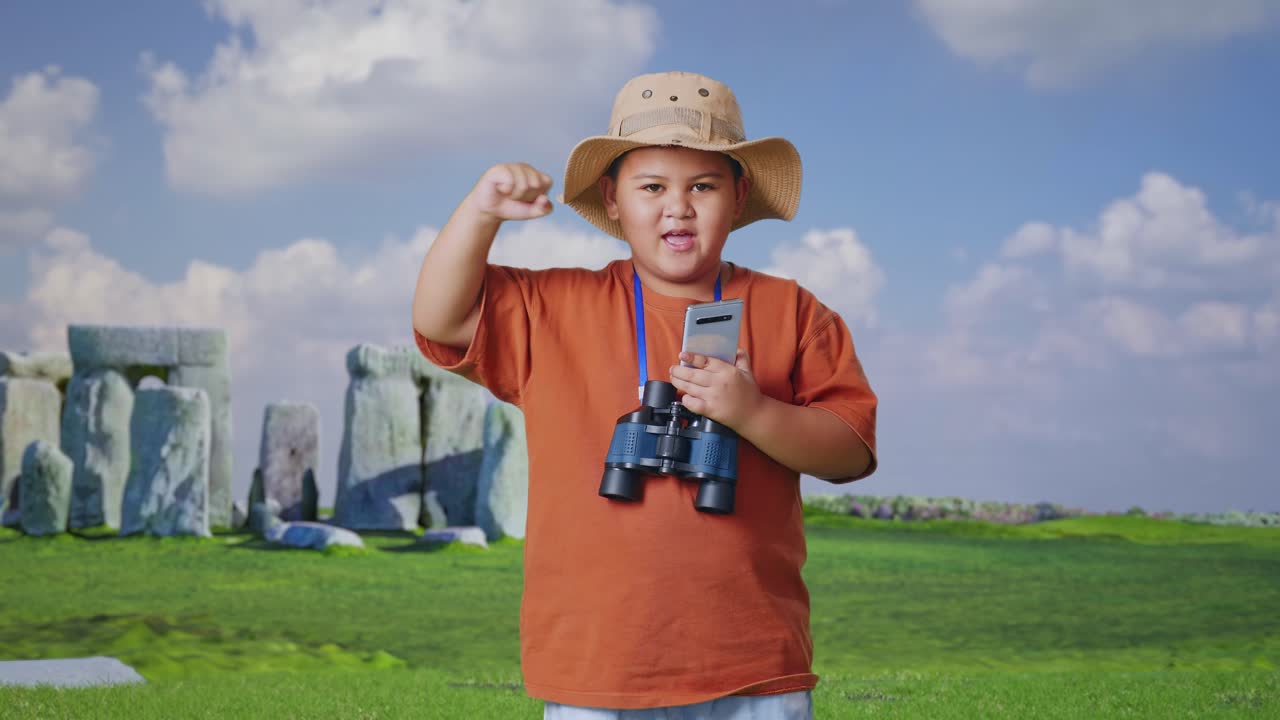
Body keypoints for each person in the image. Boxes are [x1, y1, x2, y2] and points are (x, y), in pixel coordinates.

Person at [411, 71, 878, 719]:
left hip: (752, 665)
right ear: (614, 199)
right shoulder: (555, 306)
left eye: (704, 186)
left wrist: (751, 412)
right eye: (652, 187)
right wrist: (480, 212)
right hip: (596, 663)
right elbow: (440, 321)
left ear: (739, 198)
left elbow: (850, 450)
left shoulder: (794, 312)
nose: (677, 207)